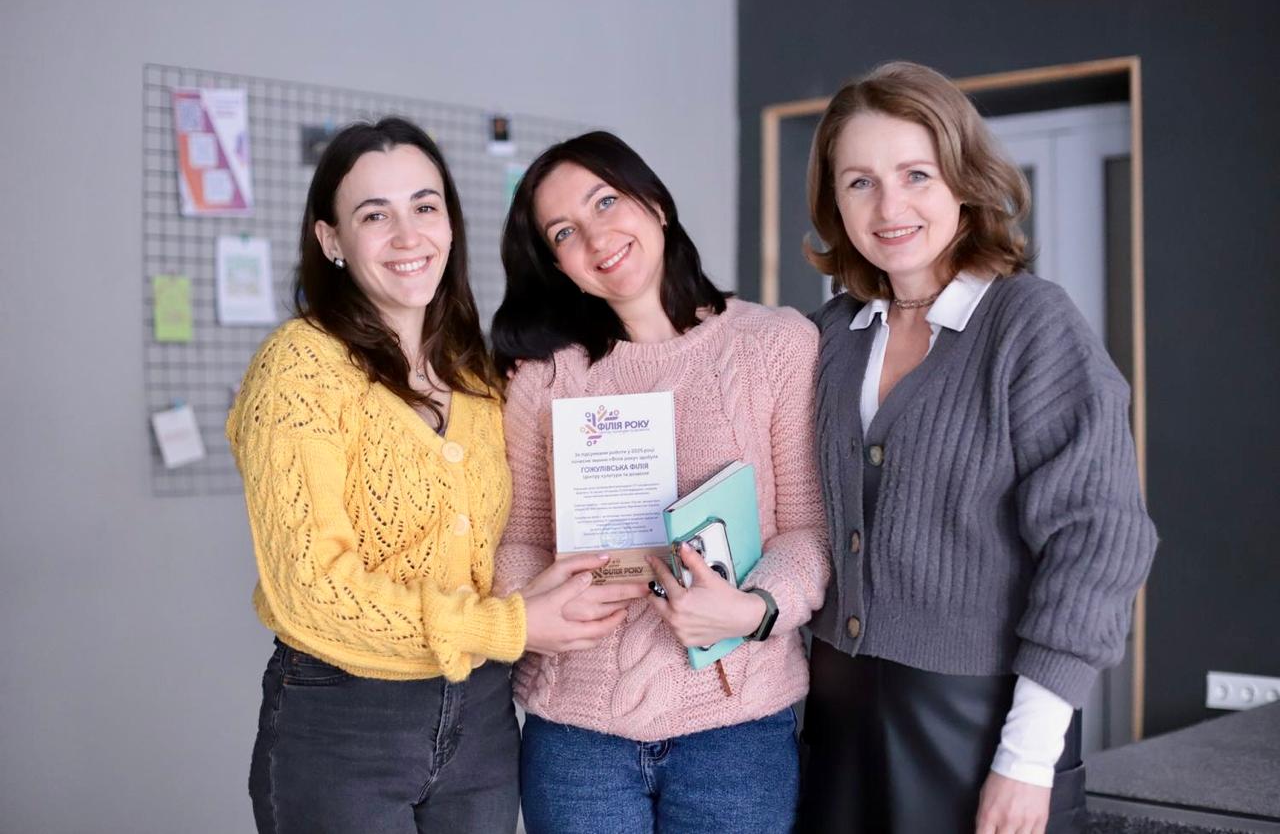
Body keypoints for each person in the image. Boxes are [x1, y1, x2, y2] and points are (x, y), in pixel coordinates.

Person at [227, 117, 629, 834]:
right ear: (331, 240)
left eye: (424, 205)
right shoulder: (299, 367)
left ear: (450, 222)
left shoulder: (477, 376)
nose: (408, 235)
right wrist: (509, 623)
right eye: (374, 215)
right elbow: (313, 589)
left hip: (482, 720)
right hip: (344, 722)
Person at [795, 61, 1159, 834]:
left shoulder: (1030, 325)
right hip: (833, 720)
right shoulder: (830, 335)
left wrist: (1026, 759)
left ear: (963, 179)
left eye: (915, 174)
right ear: (834, 201)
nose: (889, 206)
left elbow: (1097, 540)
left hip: (982, 722)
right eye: (859, 182)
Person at [489, 131, 830, 834]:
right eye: (564, 232)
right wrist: (534, 608)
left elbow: (807, 531)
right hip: (577, 730)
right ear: (557, 265)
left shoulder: (776, 346)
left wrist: (754, 608)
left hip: (738, 727)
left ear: (655, 203)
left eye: (605, 201)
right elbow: (518, 542)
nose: (596, 237)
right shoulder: (542, 378)